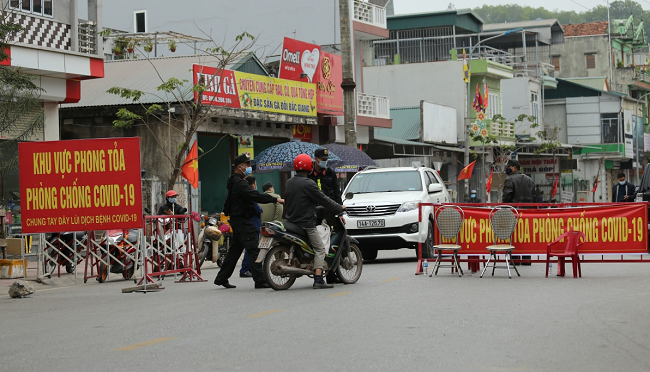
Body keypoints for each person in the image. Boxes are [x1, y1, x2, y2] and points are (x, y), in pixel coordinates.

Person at [214, 154, 284, 289]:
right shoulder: (239, 183)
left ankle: (221, 278)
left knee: (235, 251)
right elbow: (254, 195)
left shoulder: (237, 180)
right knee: (254, 249)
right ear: (240, 167)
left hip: (239, 219)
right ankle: (260, 280)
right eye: (247, 165)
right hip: (241, 220)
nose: (249, 167)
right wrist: (275, 199)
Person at [285, 154, 345, 289]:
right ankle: (318, 279)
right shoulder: (308, 183)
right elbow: (324, 199)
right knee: (320, 248)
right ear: (309, 166)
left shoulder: (289, 182)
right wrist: (339, 208)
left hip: (291, 221)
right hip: (306, 222)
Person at [308, 148, 345, 284]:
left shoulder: (330, 173)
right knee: (321, 243)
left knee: (334, 241)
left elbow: (336, 194)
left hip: (330, 213)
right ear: (316, 159)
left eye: (326, 159)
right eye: (322, 159)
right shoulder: (308, 174)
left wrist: (340, 212)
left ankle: (331, 273)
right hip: (315, 214)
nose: (325, 162)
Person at [502, 159, 534, 266]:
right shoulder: (529, 179)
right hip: (528, 212)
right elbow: (534, 196)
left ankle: (514, 258)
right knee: (526, 234)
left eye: (509, 166)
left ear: (514, 168)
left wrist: (504, 208)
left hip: (514, 212)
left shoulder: (510, 179)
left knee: (515, 235)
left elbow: (507, 196)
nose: (507, 168)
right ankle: (526, 259)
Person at [238, 176, 264, 278]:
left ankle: (248, 269)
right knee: (251, 249)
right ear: (253, 185)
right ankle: (245, 269)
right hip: (253, 225)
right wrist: (260, 209)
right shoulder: (250, 196)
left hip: (249, 225)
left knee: (250, 249)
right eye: (255, 185)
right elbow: (257, 210)